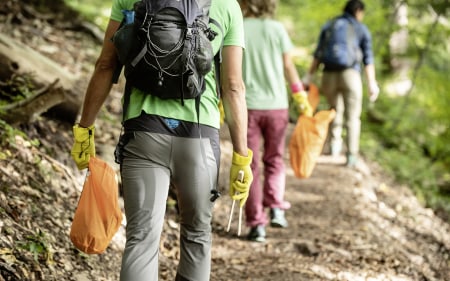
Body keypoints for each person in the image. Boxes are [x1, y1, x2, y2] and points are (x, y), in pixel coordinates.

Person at [70, 0, 253, 280]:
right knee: (197, 236)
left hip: (143, 131)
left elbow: (106, 64)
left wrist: (85, 128)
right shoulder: (227, 5)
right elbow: (234, 86)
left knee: (142, 239)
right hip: (199, 138)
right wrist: (242, 157)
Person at [238, 0, 312, 242]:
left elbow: (227, 66)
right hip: (277, 106)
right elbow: (288, 66)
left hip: (247, 106)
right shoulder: (277, 29)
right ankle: (276, 207)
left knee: (250, 165)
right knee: (275, 159)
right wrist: (299, 94)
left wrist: (221, 100)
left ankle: (257, 224)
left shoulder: (238, 26)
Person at [304, 0, 380, 167]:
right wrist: (372, 83)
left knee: (334, 110)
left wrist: (308, 76)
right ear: (358, 11)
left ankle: (334, 147)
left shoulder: (330, 25)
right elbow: (368, 59)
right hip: (350, 75)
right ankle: (351, 155)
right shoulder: (361, 29)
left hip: (328, 74)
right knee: (353, 117)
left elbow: (318, 53)